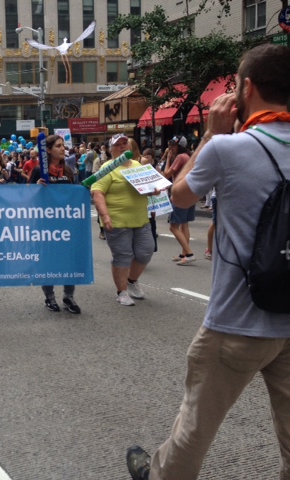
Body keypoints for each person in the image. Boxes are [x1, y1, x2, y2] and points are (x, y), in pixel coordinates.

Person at [126, 43, 290, 480]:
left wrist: (212, 135)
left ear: (246, 89)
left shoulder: (228, 149)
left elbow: (179, 196)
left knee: (194, 431)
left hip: (236, 322)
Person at [91, 133, 156, 307]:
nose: (122, 147)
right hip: (117, 221)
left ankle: (132, 281)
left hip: (141, 219)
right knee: (123, 256)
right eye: (118, 144)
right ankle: (122, 292)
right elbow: (97, 193)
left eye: (125, 143)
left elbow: (147, 188)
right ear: (110, 149)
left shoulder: (137, 165)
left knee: (146, 251)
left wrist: (154, 189)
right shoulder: (107, 168)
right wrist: (105, 216)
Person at [30, 135, 81, 314]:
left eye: (63, 145)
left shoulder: (68, 170)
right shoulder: (39, 170)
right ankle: (50, 297)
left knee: (69, 260)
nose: (62, 148)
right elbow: (27, 196)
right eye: (58, 146)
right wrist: (36, 187)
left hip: (66, 224)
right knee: (48, 261)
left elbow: (75, 194)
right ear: (48, 150)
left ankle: (69, 296)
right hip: (46, 225)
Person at [162, 136, 196, 265]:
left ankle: (189, 253)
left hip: (180, 193)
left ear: (179, 146)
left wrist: (168, 159)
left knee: (173, 226)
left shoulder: (180, 157)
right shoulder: (189, 156)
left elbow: (166, 174)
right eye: (170, 145)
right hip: (190, 192)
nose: (170, 148)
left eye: (173, 145)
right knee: (184, 225)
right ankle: (184, 254)